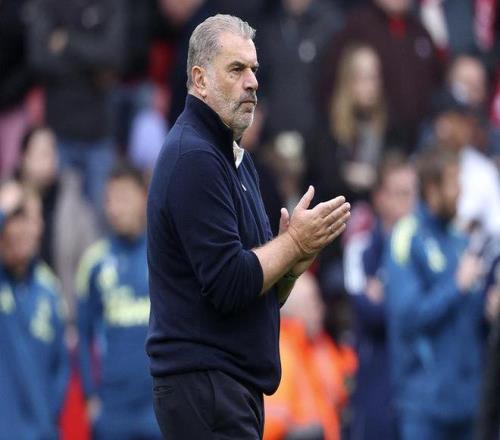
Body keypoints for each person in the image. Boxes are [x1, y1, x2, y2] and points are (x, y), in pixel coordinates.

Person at [147, 14, 351, 438]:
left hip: (227, 387)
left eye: (254, 69)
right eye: (236, 69)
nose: (253, 82)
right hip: (205, 387)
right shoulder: (195, 158)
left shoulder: (234, 158)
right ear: (200, 80)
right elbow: (229, 282)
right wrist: (293, 244)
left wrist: (292, 265)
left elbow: (253, 293)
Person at [384, 147, 485, 439]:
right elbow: (407, 316)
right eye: (453, 183)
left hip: (467, 403)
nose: (460, 190)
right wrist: (457, 286)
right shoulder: (406, 236)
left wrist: (488, 307)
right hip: (424, 406)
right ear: (432, 190)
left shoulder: (459, 239)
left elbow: (469, 317)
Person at [76, 163, 161, 439]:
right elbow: (82, 335)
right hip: (113, 409)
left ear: (143, 197)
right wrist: (90, 396)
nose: (115, 209)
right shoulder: (95, 263)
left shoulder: (166, 255)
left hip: (159, 404)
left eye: (123, 198)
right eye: (109, 200)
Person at [344, 152, 416, 440]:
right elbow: (368, 312)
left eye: (413, 193)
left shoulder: (426, 248)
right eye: (401, 194)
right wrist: (412, 300)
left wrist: (389, 294)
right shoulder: (360, 247)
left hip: (419, 383)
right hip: (375, 381)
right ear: (380, 198)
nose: (410, 203)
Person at [0, 180, 69, 438]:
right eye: (16, 219)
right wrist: (4, 208)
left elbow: (60, 366)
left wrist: (48, 419)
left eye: (32, 220)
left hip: (41, 432)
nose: (26, 229)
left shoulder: (49, 289)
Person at [17, 126, 98, 324]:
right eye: (42, 152)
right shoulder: (8, 201)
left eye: (53, 151)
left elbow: (91, 259)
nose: (50, 158)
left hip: (63, 316)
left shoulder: (73, 201)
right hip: (13, 318)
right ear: (24, 158)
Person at [263, 272, 357, 440]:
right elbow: (272, 425)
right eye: (313, 303)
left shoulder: (317, 345)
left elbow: (344, 381)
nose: (320, 309)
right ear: (293, 310)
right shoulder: (282, 353)